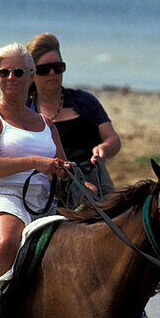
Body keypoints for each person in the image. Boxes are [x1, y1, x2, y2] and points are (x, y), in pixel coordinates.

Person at [0, 43, 68, 318]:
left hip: (42, 203)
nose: (11, 78)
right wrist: (34, 162)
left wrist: (64, 172)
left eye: (18, 72)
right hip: (0, 196)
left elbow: (62, 165)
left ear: (31, 77)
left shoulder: (46, 124)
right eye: (4, 72)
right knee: (6, 243)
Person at [26, 33, 121, 199]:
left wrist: (104, 149)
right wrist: (76, 186)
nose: (52, 73)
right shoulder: (26, 109)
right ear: (32, 74)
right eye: (44, 69)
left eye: (58, 67)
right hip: (49, 185)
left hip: (95, 178)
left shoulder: (84, 101)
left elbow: (113, 139)